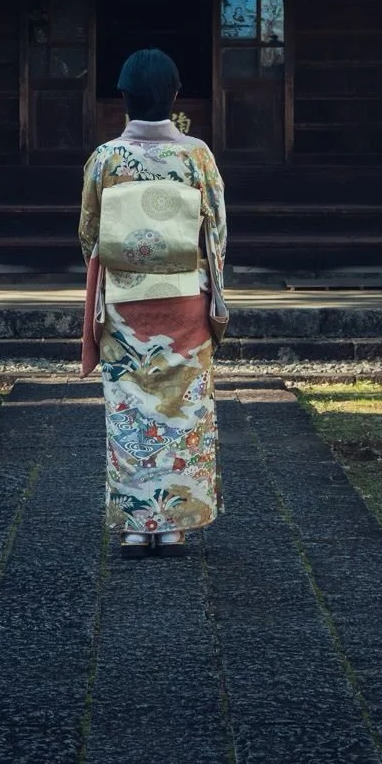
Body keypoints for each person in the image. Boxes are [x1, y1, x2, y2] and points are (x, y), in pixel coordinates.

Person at [78, 48, 228, 554]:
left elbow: (90, 234)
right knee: (183, 412)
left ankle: (136, 523)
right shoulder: (197, 156)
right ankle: (173, 523)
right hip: (184, 298)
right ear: (176, 96)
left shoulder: (105, 159)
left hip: (124, 302)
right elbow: (217, 230)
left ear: (123, 98)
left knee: (129, 410)